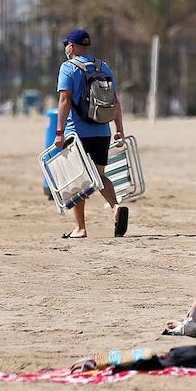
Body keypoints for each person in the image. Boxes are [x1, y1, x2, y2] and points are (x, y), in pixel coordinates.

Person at [55, 28, 128, 239]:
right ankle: (115, 207)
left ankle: (80, 228)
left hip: (77, 133)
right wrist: (119, 129)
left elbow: (64, 100)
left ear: (71, 46)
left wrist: (59, 132)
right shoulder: (102, 66)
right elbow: (114, 100)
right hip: (102, 131)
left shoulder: (68, 68)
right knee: (99, 175)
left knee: (77, 181)